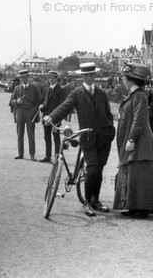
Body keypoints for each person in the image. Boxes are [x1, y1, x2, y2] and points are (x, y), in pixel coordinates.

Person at [43, 62, 115, 216]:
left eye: (92, 74)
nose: (89, 77)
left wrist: (110, 129)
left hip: (103, 138)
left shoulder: (102, 94)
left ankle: (96, 200)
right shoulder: (77, 93)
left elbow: (109, 114)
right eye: (86, 75)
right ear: (82, 76)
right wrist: (51, 116)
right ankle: (87, 203)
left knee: (99, 169)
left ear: (95, 75)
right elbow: (65, 106)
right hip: (87, 137)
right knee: (92, 168)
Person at [113, 62, 153, 218]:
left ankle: (142, 207)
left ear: (131, 80)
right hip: (137, 140)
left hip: (139, 141)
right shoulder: (135, 95)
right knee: (134, 172)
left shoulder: (139, 96)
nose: (123, 80)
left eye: (124, 77)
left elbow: (139, 120)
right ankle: (134, 205)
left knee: (139, 173)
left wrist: (131, 139)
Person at [9, 70, 42, 161]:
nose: (24, 79)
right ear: (20, 78)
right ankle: (20, 153)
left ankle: (32, 154)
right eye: (22, 77)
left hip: (30, 113)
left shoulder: (34, 88)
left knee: (31, 134)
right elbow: (11, 101)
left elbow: (39, 100)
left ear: (28, 77)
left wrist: (35, 109)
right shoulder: (17, 88)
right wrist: (16, 101)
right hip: (20, 112)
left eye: (25, 77)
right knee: (20, 133)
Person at [38, 71, 65, 163]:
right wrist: (41, 105)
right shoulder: (46, 89)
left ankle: (57, 157)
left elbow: (61, 105)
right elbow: (42, 101)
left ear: (56, 79)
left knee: (56, 138)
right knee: (47, 137)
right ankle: (47, 156)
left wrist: (58, 118)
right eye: (50, 78)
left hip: (55, 118)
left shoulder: (60, 90)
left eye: (53, 78)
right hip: (46, 117)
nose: (51, 79)